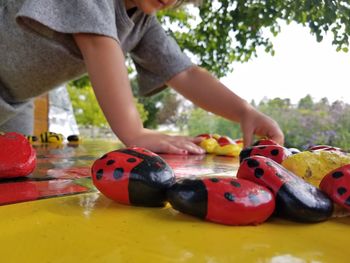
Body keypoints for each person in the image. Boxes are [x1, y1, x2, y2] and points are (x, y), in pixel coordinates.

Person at [0, 0, 284, 154]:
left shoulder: (142, 22)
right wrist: (135, 132)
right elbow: (99, 43)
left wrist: (244, 112)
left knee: (17, 177)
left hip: (16, 100)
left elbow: (184, 72)